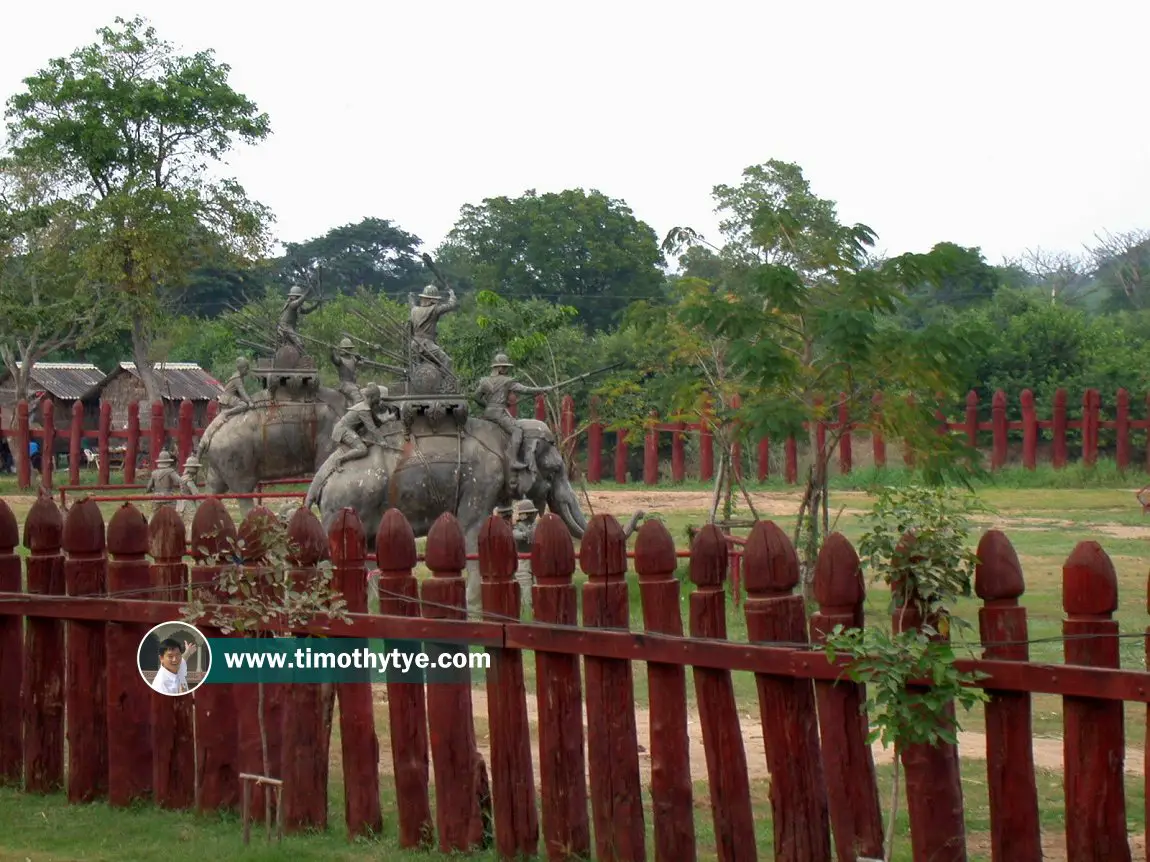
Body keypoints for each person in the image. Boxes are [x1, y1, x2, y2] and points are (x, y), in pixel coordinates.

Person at [303, 384, 387, 508]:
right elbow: (372, 428)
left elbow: (375, 422)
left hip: (349, 429)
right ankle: (340, 460)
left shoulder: (367, 408)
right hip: (343, 431)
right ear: (372, 397)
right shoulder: (364, 409)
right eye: (378, 398)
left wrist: (388, 420)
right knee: (362, 449)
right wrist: (382, 440)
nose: (379, 400)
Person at [472, 353, 552, 471]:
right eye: (504, 367)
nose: (506, 369)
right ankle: (513, 460)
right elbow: (525, 389)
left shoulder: (484, 381)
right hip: (499, 414)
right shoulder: (507, 381)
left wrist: (488, 405)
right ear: (499, 368)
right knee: (517, 431)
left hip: (488, 413)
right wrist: (542, 389)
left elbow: (476, 397)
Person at [408, 284, 458, 371]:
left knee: (416, 369)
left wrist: (410, 298)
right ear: (432, 300)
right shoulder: (434, 310)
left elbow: (412, 304)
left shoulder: (414, 310)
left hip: (414, 344)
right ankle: (443, 382)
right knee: (447, 361)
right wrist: (452, 294)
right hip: (427, 345)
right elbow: (451, 305)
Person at [512, 500, 538, 614]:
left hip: (534, 559)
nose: (533, 515)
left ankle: (536, 610)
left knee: (537, 584)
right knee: (525, 587)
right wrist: (525, 534)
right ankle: (526, 610)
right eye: (530, 513)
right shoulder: (517, 527)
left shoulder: (534, 526)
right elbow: (515, 535)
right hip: (522, 560)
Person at [278, 285, 321, 352]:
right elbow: (298, 302)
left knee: (294, 345)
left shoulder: (295, 306)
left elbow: (306, 311)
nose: (298, 298)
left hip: (288, 327)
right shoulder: (292, 304)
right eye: (298, 297)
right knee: (299, 344)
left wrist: (315, 306)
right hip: (285, 327)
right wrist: (307, 293)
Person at [331, 338, 362, 405]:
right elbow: (334, 360)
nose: (348, 350)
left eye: (349, 348)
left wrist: (359, 358)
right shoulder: (340, 360)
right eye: (346, 348)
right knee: (356, 396)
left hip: (353, 384)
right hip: (345, 384)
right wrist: (333, 351)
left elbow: (361, 363)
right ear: (342, 349)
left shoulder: (353, 359)